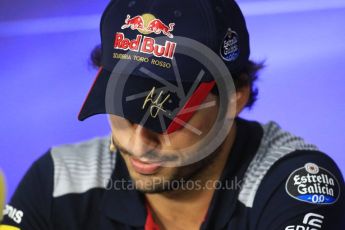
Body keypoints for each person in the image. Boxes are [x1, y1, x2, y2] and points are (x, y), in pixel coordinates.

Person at [1, 0, 344, 229]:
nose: (138, 142)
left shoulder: (297, 183)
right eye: (125, 107)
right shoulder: (58, 177)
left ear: (235, 98)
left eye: (165, 113)